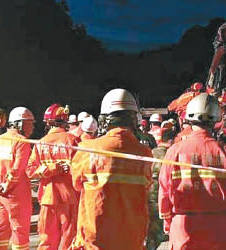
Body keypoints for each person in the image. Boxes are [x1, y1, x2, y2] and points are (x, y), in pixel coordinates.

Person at [70, 88, 153, 250]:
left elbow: (77, 184)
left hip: (96, 239)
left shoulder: (88, 149)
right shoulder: (144, 154)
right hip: (132, 239)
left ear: (104, 120)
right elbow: (147, 186)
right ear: (134, 119)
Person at [158, 93, 226, 249]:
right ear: (216, 119)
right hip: (217, 226)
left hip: (183, 225)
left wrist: (168, 222)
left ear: (188, 119)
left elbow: (165, 191)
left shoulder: (175, 151)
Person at [27, 104, 79, 250]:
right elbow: (83, 169)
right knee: (70, 239)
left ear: (48, 123)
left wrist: (50, 169)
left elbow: (30, 171)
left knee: (47, 240)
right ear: (65, 122)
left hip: (47, 198)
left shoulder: (40, 143)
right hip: (69, 197)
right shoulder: (74, 141)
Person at [0, 107, 35, 250]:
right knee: (20, 231)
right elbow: (18, 169)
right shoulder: (22, 141)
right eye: (30, 123)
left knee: (2, 229)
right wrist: (7, 184)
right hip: (16, 195)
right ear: (20, 124)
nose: (32, 126)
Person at [147, 128, 175, 250]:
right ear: (171, 141)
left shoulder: (150, 153)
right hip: (160, 200)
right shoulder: (171, 157)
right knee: (156, 234)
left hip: (146, 197)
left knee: (148, 232)